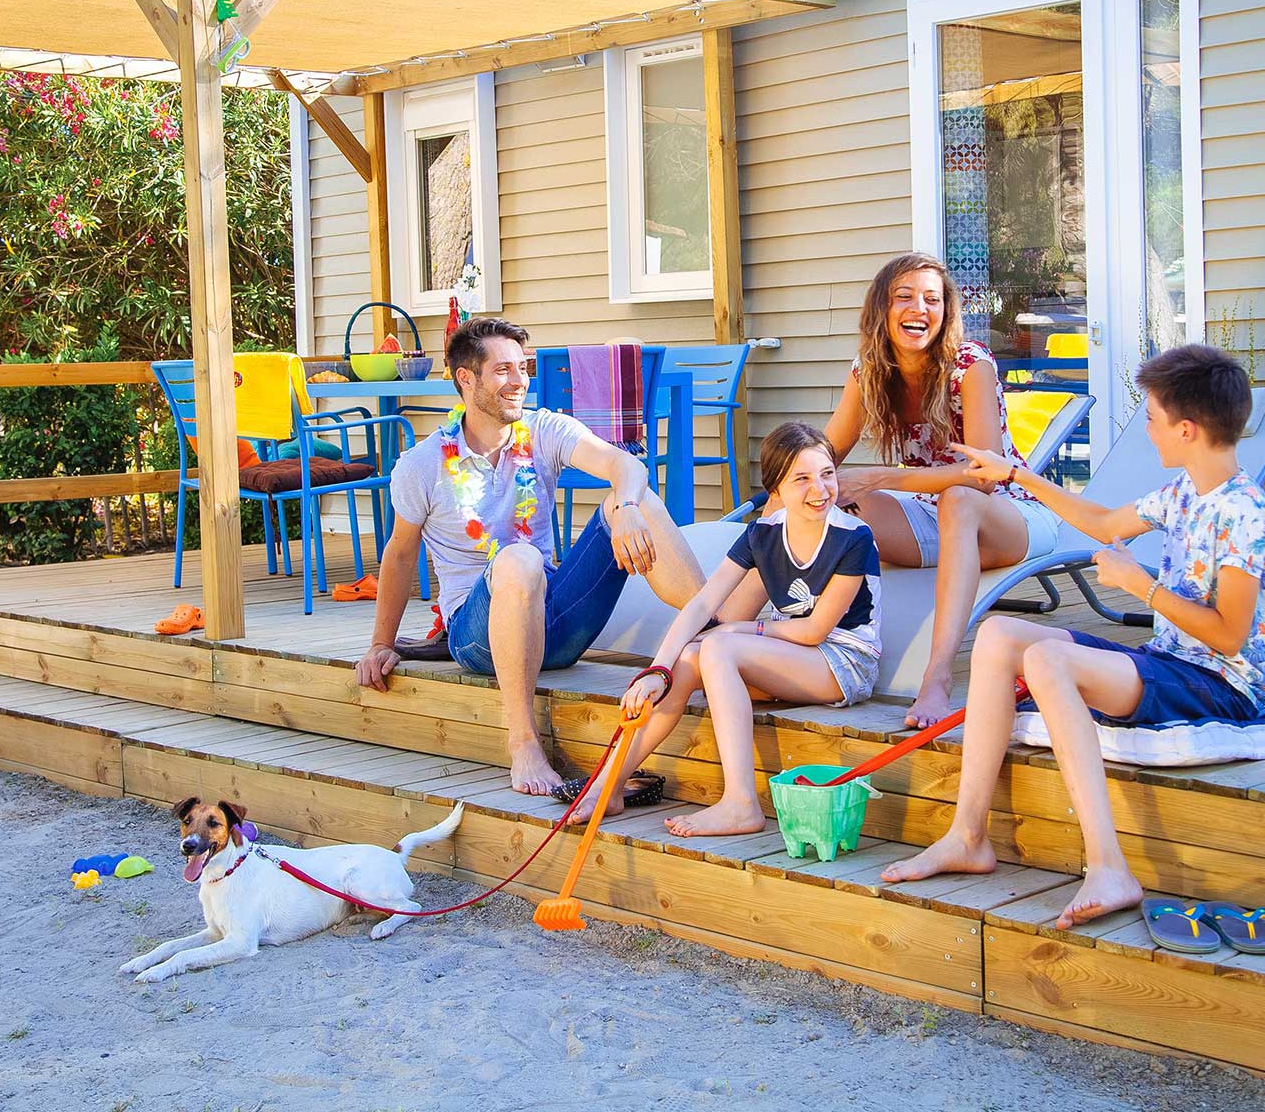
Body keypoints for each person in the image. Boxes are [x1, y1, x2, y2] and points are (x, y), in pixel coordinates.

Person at [881, 344, 1265, 930]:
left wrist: (1140, 586)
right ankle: (968, 835)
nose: (1145, 428)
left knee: (1047, 660)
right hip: (1172, 661)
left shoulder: (1244, 512)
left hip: (1222, 684)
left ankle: (1109, 866)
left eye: (1151, 417)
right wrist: (1014, 473)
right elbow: (1101, 523)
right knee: (997, 634)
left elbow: (1229, 636)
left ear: (1188, 429)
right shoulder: (1183, 493)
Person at [354, 319, 704, 796]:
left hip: (557, 621)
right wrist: (381, 643)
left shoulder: (543, 429)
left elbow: (625, 462)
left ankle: (721, 636)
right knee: (519, 559)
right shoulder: (422, 465)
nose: (519, 381)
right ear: (466, 380)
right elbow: (398, 555)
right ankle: (523, 744)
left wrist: (622, 506)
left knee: (635, 498)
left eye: (523, 368)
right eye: (503, 370)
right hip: (477, 638)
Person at [571, 422, 881, 835]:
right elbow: (703, 602)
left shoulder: (854, 537)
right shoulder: (764, 533)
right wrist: (656, 669)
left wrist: (740, 632)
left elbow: (814, 631)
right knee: (689, 657)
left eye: (827, 474)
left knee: (717, 646)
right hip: (792, 653)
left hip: (842, 661)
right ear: (777, 489)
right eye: (802, 479)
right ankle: (609, 784)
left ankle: (740, 803)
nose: (820, 490)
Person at [821, 253, 1062, 728]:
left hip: (1006, 514)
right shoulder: (869, 371)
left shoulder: (970, 365)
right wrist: (794, 485)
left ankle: (936, 676)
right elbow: (826, 454)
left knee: (959, 498)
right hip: (934, 515)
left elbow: (985, 474)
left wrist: (881, 476)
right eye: (905, 297)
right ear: (882, 311)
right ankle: (803, 639)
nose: (920, 308)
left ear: (947, 312)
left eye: (932, 299)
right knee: (834, 497)